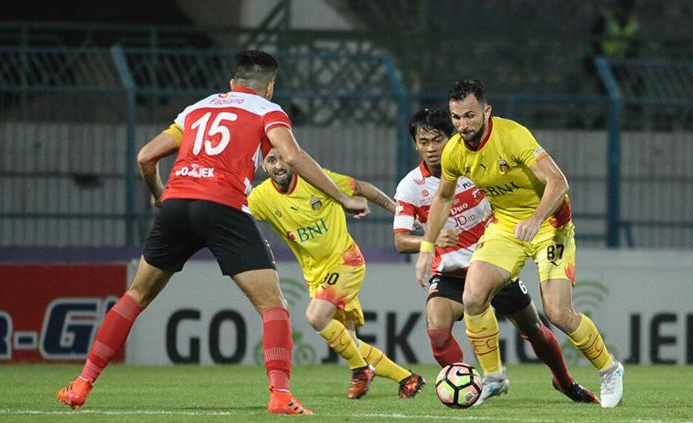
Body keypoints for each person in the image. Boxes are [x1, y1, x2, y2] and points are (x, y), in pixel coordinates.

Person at [56, 50, 371, 415]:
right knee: (273, 307)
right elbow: (295, 157)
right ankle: (280, 395)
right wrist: (343, 199)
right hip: (223, 207)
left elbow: (145, 157)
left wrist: (160, 195)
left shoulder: (197, 108)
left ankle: (81, 385)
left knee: (135, 296)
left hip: (177, 205)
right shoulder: (267, 110)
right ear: (269, 87)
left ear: (231, 82)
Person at [415, 80, 624, 408]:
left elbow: (558, 182)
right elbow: (443, 197)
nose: (463, 125)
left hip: (550, 226)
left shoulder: (512, 136)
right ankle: (494, 377)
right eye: (456, 118)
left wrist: (536, 219)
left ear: (486, 112)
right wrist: (427, 248)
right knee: (472, 298)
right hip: (506, 228)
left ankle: (609, 368)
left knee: (558, 312)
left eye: (470, 116)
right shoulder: (455, 151)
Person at [248, 148, 426, 400]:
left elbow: (362, 188)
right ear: (263, 167)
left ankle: (361, 370)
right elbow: (232, 212)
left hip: (346, 262)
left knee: (315, 316)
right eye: (271, 160)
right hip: (316, 276)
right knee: (350, 342)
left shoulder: (317, 180)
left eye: (282, 158)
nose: (279, 165)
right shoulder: (260, 198)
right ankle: (407, 378)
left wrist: (398, 211)